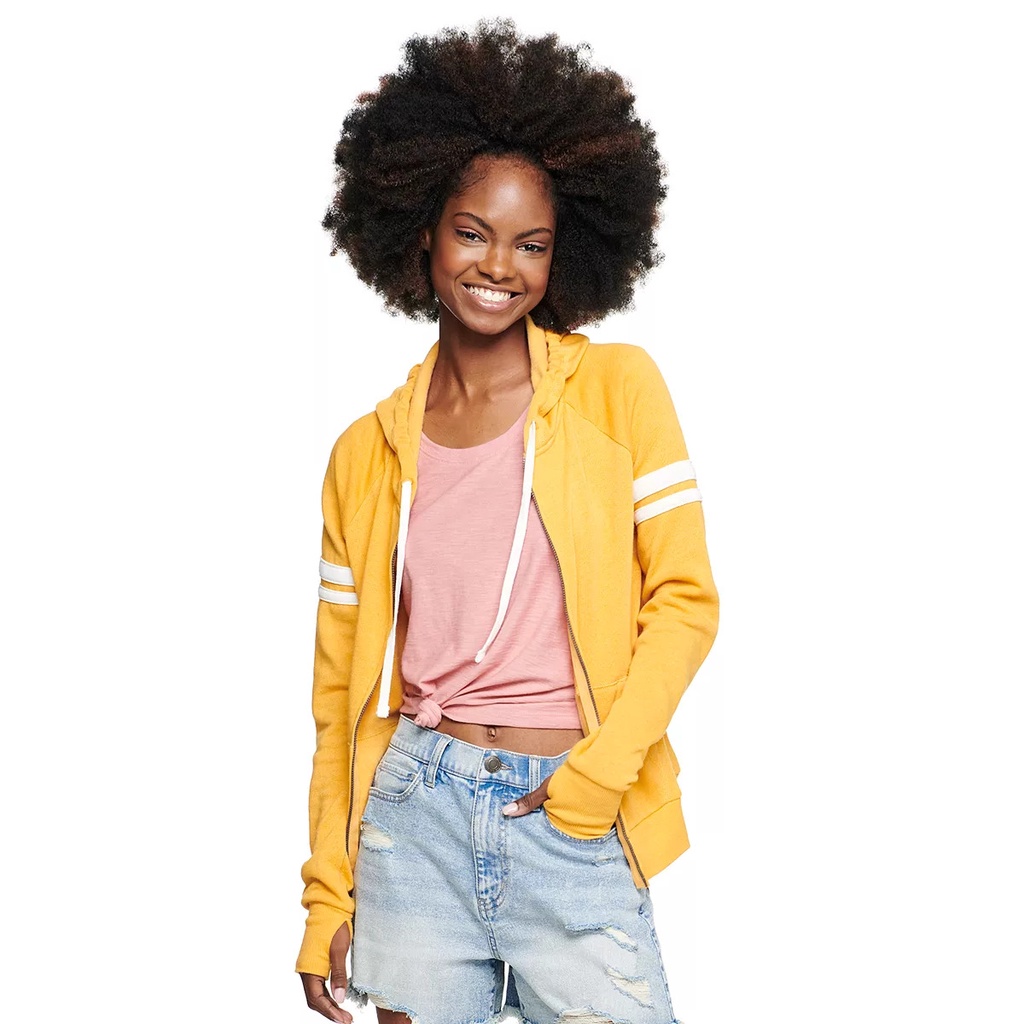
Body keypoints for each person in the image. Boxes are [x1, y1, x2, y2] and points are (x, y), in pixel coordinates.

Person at [296, 20, 719, 1024]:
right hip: (412, 827)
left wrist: (596, 780)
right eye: (473, 232)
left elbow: (686, 603)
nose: (500, 265)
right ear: (422, 232)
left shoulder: (617, 391)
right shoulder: (364, 455)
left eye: (532, 244)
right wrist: (327, 896)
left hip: (569, 811)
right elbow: (338, 700)